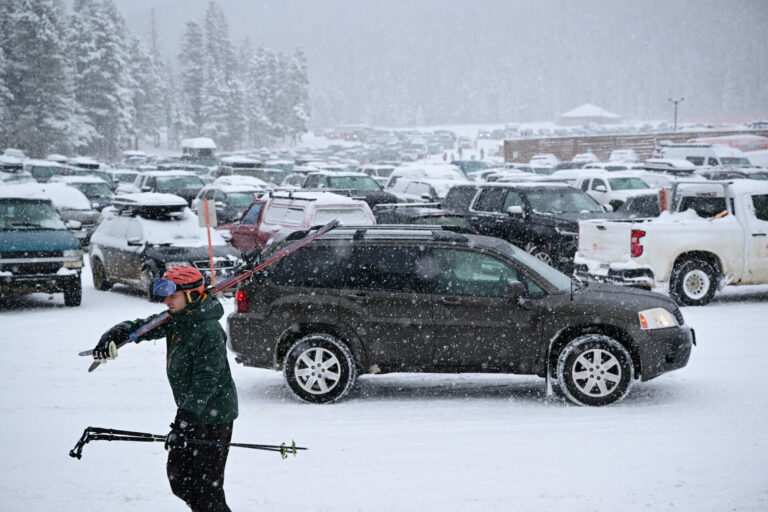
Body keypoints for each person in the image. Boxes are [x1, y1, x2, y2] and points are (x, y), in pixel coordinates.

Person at [92, 266, 238, 512]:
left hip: (213, 417)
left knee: (206, 490)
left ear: (192, 295)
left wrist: (184, 421)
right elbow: (147, 327)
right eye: (164, 295)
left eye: (173, 295)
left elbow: (206, 382)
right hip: (192, 413)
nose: (166, 301)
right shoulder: (179, 318)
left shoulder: (209, 330)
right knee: (181, 480)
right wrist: (118, 333)